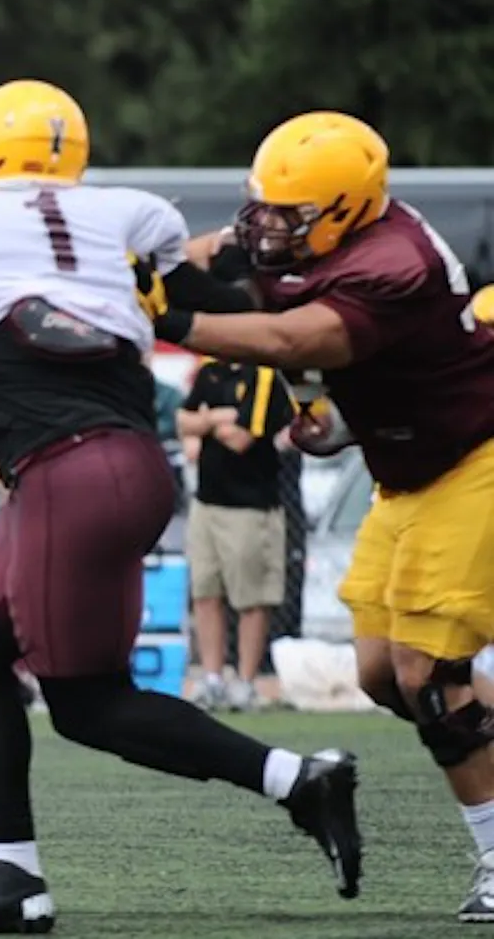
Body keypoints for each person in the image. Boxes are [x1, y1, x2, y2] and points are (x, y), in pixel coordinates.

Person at [0, 81, 361, 934]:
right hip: (120, 465)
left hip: (70, 476)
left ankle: (298, 779)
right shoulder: (125, 213)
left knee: (89, 705)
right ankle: (11, 878)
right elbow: (203, 299)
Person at [151, 110, 494, 922]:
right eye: (261, 205)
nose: (266, 227)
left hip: (474, 461)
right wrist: (135, 267)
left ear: (345, 210)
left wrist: (160, 318)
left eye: (289, 214)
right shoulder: (309, 232)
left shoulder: (393, 262)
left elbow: (291, 335)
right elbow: (199, 258)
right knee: (383, 678)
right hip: (408, 472)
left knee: (429, 678)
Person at [177, 358, 295, 711]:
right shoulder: (209, 372)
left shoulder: (263, 376)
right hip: (207, 503)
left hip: (250, 507)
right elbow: (183, 421)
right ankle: (213, 679)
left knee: (251, 599)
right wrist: (218, 417)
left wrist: (205, 423)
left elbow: (240, 438)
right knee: (205, 592)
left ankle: (245, 681)